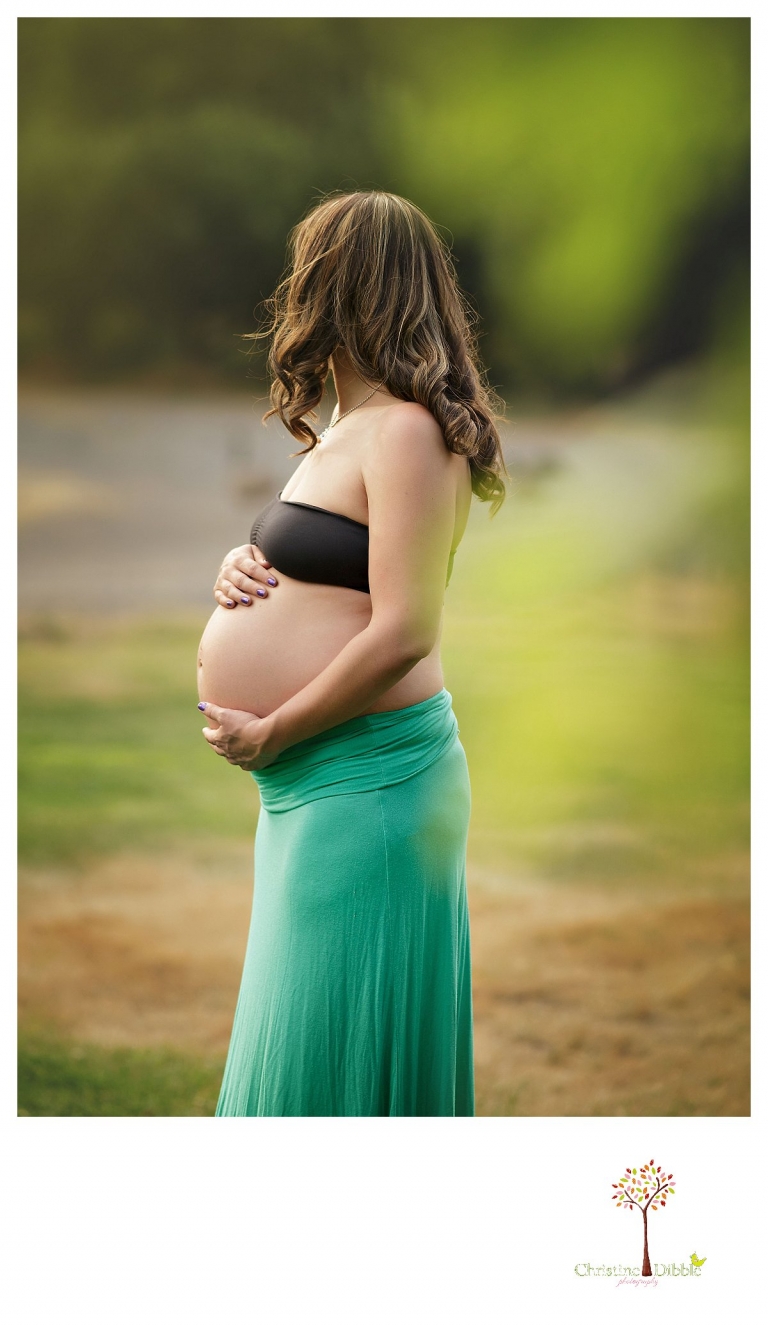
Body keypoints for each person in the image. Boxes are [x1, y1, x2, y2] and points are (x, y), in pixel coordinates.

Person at [196, 190, 506, 1116]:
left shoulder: (408, 430)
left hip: (365, 782)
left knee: (328, 1046)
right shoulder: (346, 428)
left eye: (311, 268)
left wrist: (281, 727)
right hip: (316, 786)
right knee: (306, 1038)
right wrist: (245, 563)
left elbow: (407, 628)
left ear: (340, 285)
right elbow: (340, 568)